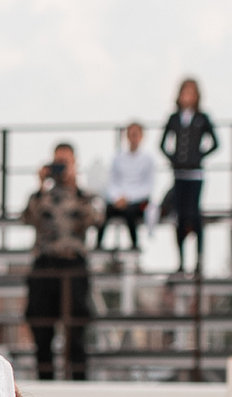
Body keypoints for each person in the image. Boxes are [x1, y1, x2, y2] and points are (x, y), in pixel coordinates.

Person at [19, 142, 100, 379]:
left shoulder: (84, 196)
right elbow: (28, 217)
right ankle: (46, 385)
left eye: (66, 162)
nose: (61, 167)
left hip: (73, 265)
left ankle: (79, 387)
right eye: (57, 162)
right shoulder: (42, 196)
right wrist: (41, 185)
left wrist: (74, 185)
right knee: (41, 327)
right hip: (45, 266)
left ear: (75, 164)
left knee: (76, 330)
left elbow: (94, 219)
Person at [160, 79, 220, 275]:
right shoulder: (174, 119)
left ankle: (199, 260)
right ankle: (181, 261)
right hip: (179, 175)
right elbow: (162, 144)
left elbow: (215, 143)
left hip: (195, 175)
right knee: (179, 216)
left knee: (194, 215)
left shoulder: (202, 118)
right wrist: (174, 159)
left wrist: (198, 156)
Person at [99, 122, 155, 254]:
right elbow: (112, 182)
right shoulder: (117, 157)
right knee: (104, 211)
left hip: (138, 201)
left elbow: (148, 187)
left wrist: (128, 198)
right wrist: (116, 197)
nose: (133, 138)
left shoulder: (149, 159)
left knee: (130, 212)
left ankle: (134, 245)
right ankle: (98, 245)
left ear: (142, 136)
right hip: (118, 199)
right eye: (131, 134)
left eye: (136, 134)